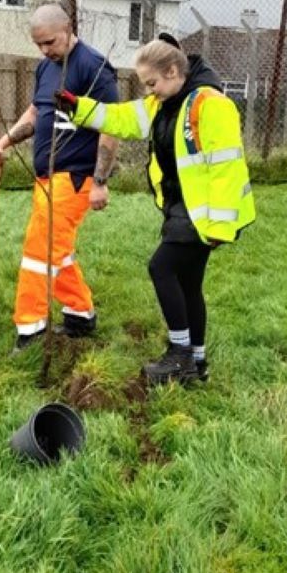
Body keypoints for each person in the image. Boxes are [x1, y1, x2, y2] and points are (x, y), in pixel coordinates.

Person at [55, 33, 255, 385]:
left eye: (152, 83)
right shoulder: (163, 102)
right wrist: (78, 108)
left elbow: (227, 169)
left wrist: (218, 229)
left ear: (174, 70)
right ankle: (196, 361)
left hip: (202, 215)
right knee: (189, 284)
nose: (149, 91)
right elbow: (121, 118)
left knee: (160, 268)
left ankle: (178, 355)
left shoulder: (211, 105)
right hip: (180, 207)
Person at [0, 3, 119, 352]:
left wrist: (99, 181)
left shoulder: (94, 68)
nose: (44, 50)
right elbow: (38, 111)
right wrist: (6, 140)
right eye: (38, 45)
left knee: (40, 249)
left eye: (49, 42)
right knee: (57, 250)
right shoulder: (45, 67)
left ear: (67, 29)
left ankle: (31, 328)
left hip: (75, 176)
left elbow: (111, 129)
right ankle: (80, 313)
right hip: (46, 176)